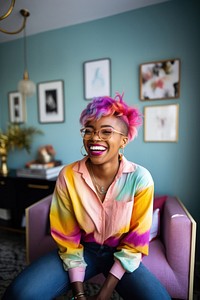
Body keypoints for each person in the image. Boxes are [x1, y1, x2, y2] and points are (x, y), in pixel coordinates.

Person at [3, 94, 171, 300]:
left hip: (121, 254)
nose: (94, 138)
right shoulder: (69, 175)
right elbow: (67, 236)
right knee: (18, 294)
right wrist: (79, 294)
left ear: (123, 141)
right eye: (89, 131)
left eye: (106, 132)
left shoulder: (140, 179)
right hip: (82, 250)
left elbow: (135, 243)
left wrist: (104, 294)